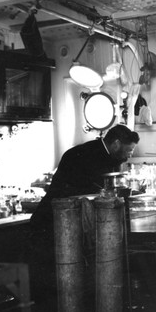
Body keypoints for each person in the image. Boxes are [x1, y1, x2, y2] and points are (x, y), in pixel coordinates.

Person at [28, 124, 139, 297]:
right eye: (129, 150)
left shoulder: (107, 157)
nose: (129, 155)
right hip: (52, 223)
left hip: (69, 224)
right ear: (116, 144)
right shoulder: (87, 156)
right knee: (58, 286)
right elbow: (88, 195)